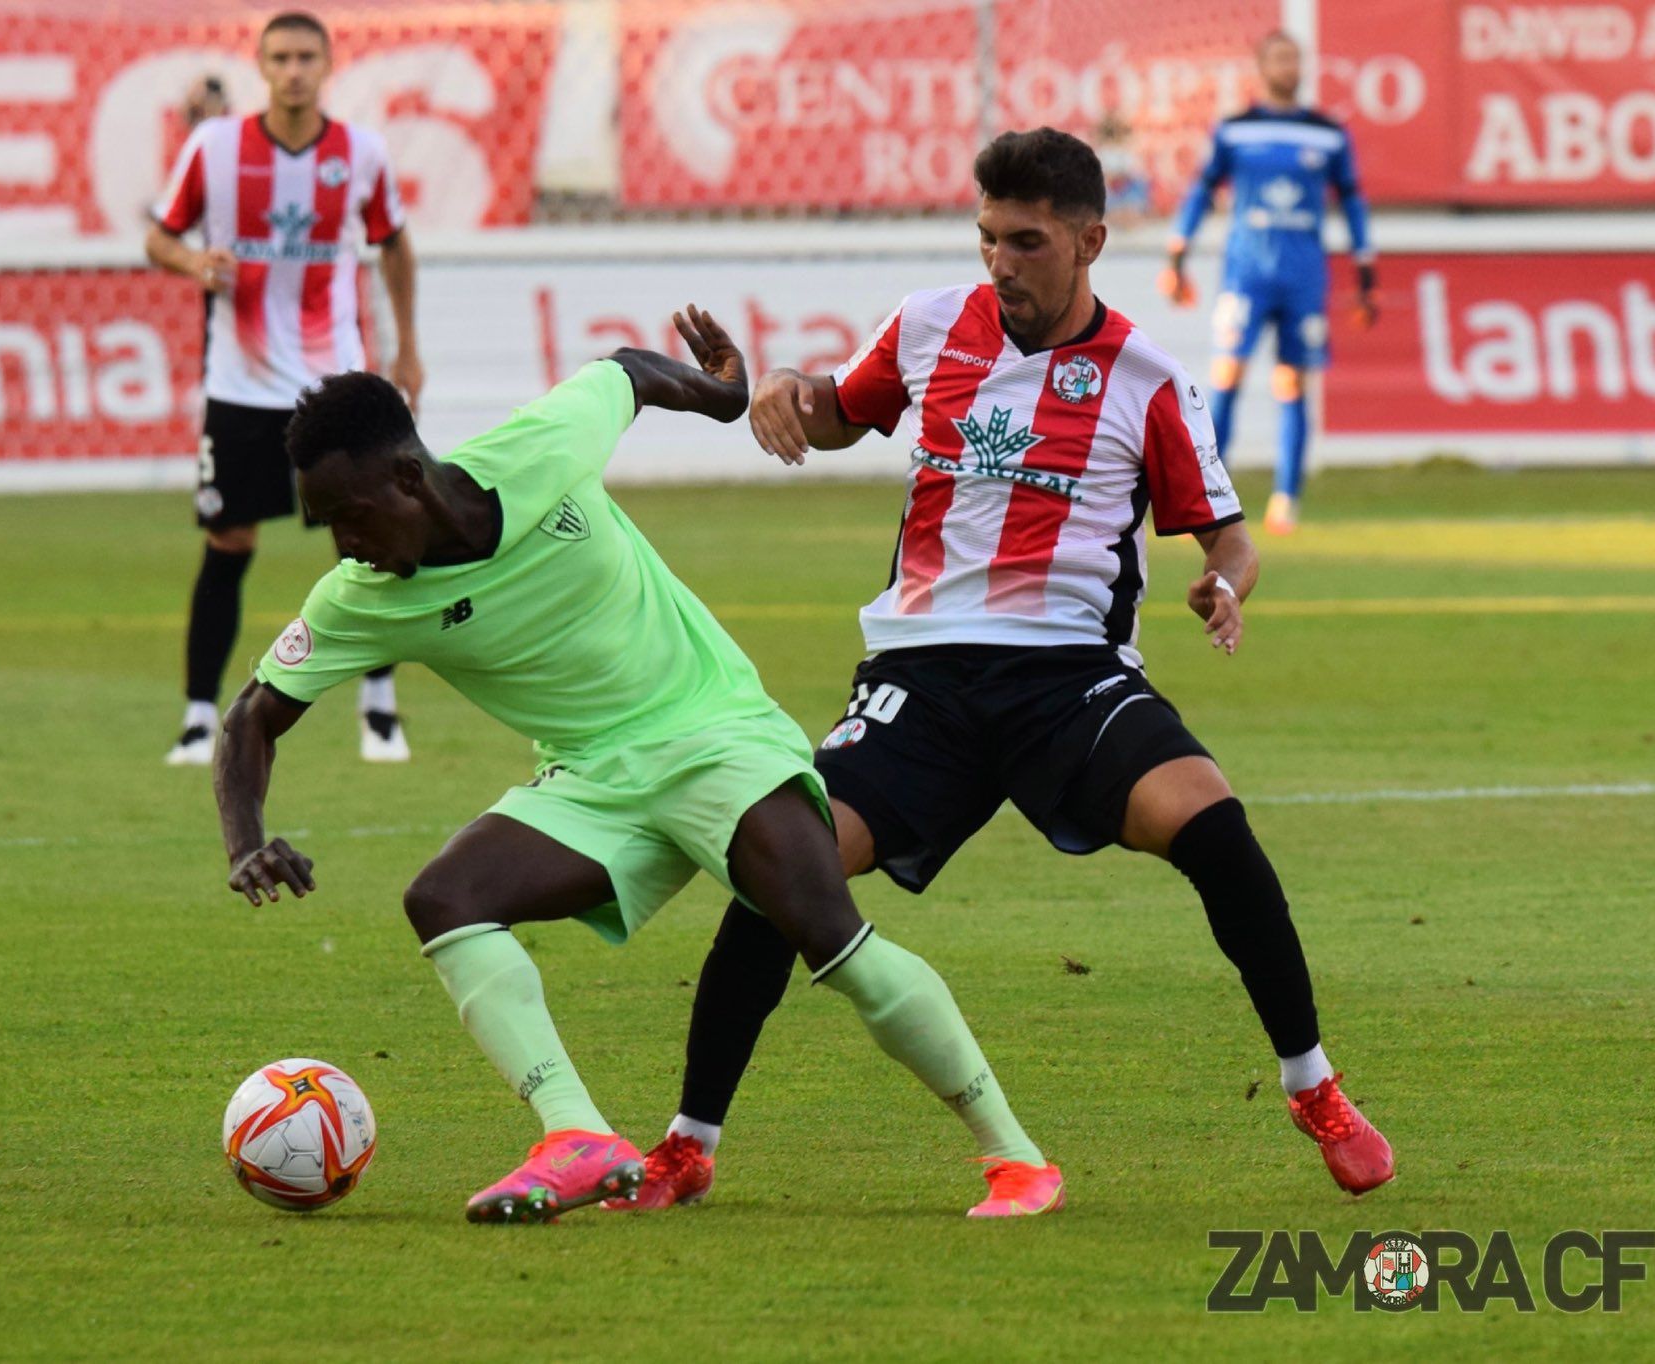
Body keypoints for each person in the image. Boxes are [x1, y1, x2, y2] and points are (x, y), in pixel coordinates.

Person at [617, 128, 1393, 1214]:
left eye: (1025, 241)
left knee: (1211, 820)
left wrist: (1225, 585)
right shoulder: (929, 324)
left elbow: (1225, 535)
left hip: (1064, 678)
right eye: (986, 238)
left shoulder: (1146, 376)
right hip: (919, 677)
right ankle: (687, 1142)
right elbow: (839, 411)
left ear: (1088, 241)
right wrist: (787, 388)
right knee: (781, 863)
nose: (1000, 262)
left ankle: (1312, 1085)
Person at [209, 306, 1063, 1223]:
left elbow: (632, 371)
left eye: (351, 515)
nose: (344, 543)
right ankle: (576, 1135)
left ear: (409, 477)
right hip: (593, 780)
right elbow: (249, 722)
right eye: (324, 526)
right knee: (446, 898)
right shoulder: (358, 601)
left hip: (717, 732)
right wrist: (244, 839)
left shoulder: (542, 446)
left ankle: (1015, 1161)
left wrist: (724, 397)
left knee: (830, 936)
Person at [148, 10, 425, 765]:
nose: (294, 69)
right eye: (280, 57)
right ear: (262, 66)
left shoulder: (360, 154)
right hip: (238, 385)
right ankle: (200, 716)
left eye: (306, 55)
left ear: (327, 63)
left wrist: (407, 349)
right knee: (228, 541)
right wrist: (190, 264)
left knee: (369, 537)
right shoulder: (215, 146)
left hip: (330, 382)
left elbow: (395, 244)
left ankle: (379, 706)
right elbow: (158, 234)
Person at [1159, 31, 1377, 535]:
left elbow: (1353, 200)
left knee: (1293, 382)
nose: (1290, 66)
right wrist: (1177, 253)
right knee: (1228, 376)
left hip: (1303, 278)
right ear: (1262, 68)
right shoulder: (1236, 130)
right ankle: (1212, 493)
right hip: (1246, 276)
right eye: (1280, 58)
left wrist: (1367, 270)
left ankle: (1286, 499)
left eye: (1295, 58)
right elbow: (1202, 190)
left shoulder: (1327, 132)